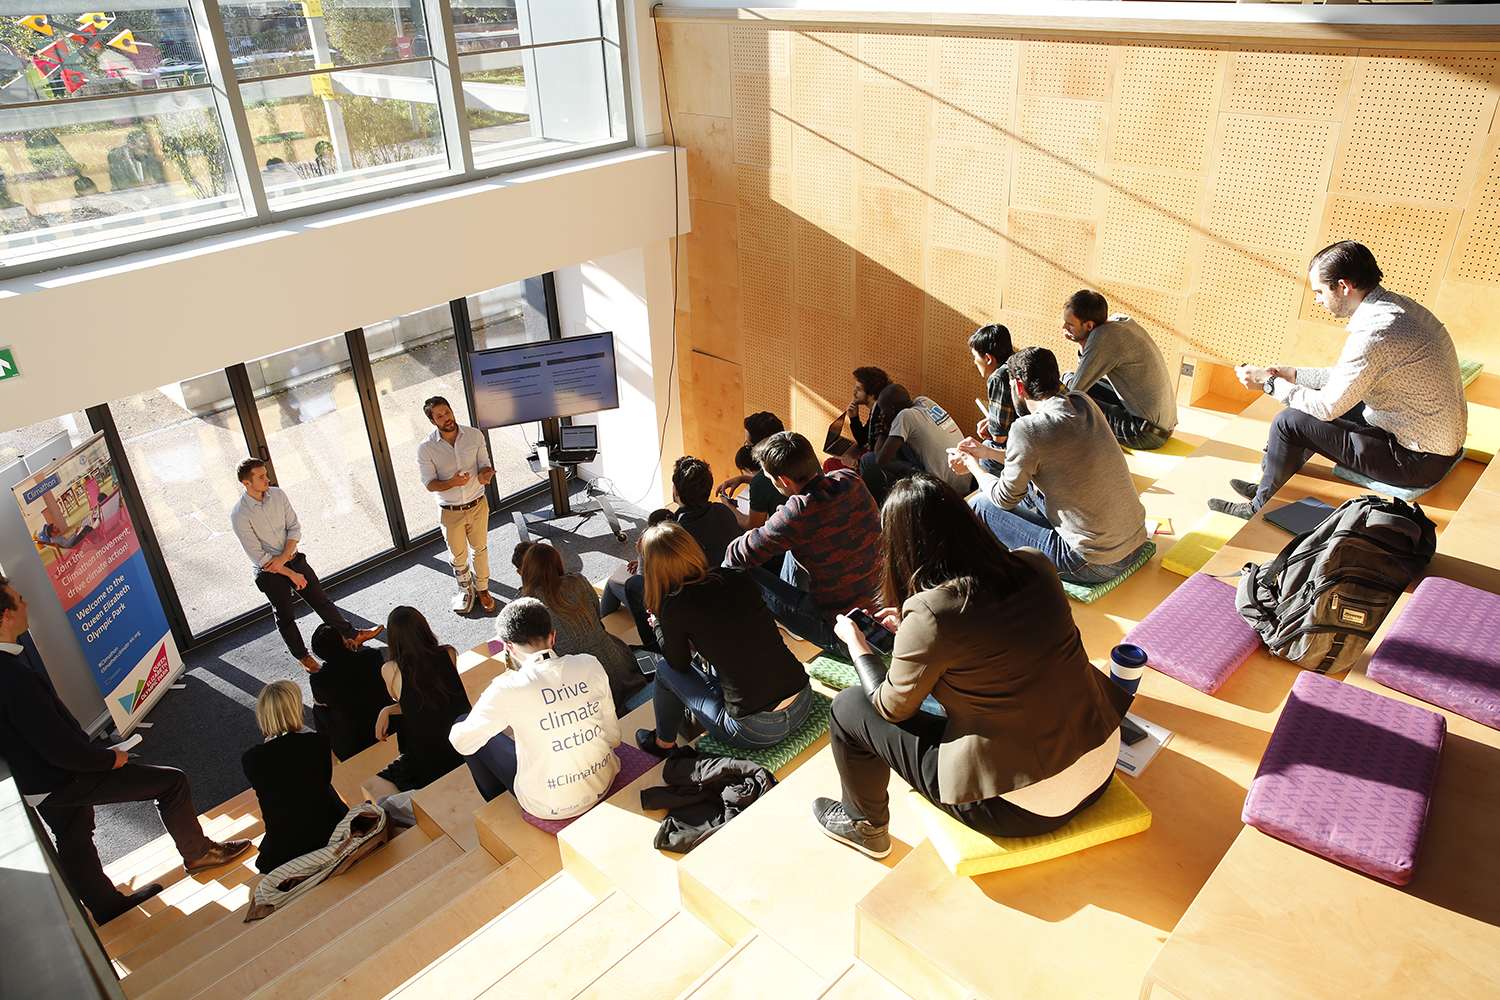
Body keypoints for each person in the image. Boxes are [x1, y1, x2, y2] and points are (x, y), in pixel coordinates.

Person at [811, 475, 1132, 858]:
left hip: (1021, 807)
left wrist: (857, 644)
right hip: (1100, 762)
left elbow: (890, 707)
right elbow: (992, 635)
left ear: (900, 545)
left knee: (849, 706)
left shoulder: (931, 612)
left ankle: (864, 825)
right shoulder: (1035, 564)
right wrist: (914, 630)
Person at [0, 578, 252, 924]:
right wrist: (109, 759)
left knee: (74, 839)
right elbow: (57, 749)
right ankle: (199, 854)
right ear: (4, 616)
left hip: (38, 784)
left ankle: (107, 908)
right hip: (65, 777)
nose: (26, 606)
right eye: (20, 601)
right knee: (172, 783)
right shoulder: (16, 678)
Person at [1210, 241, 1468, 519]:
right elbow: (1352, 378)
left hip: (1415, 461)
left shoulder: (1375, 332)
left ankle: (1258, 508)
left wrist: (1270, 384)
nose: (1318, 299)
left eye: (1320, 291)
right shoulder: (1397, 308)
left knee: (1290, 421)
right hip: (1425, 439)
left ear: (1343, 286)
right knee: (1306, 405)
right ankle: (1270, 484)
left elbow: (1327, 407)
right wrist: (1295, 375)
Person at [953, 347, 1150, 585]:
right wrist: (986, 452)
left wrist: (972, 465)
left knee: (979, 505)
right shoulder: (1083, 403)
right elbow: (1043, 456)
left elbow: (1004, 499)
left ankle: (989, 584)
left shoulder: (1026, 428)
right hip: (1135, 542)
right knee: (1025, 491)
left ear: (1018, 386)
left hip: (1093, 563)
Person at [634, 522, 813, 757]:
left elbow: (678, 664)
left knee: (664, 669)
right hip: (803, 699)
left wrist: (659, 623)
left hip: (755, 730)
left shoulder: (673, 606)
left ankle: (663, 744)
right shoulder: (737, 575)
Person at [449, 598, 621, 818]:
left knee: (462, 723)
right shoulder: (589, 664)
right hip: (604, 780)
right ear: (553, 636)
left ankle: (497, 804)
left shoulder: (506, 689)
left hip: (551, 808)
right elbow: (614, 739)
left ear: (509, 647)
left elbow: (462, 742)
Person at [725, 431, 882, 658]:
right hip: (880, 613)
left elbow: (736, 556)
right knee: (794, 544)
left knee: (738, 570)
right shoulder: (850, 479)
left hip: (844, 635)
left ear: (784, 481)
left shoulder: (797, 514)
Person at [229, 459, 382, 672]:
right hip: (270, 573)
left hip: (291, 559)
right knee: (285, 617)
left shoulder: (278, 495)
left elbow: (294, 529)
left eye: (266, 474)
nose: (267, 479)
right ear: (246, 482)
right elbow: (259, 556)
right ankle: (303, 657)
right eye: (261, 477)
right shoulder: (239, 514)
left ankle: (352, 635)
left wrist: (285, 561)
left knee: (322, 601)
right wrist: (289, 572)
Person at [600, 457, 740, 651]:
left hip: (693, 607)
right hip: (732, 596)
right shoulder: (724, 511)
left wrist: (643, 558)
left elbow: (657, 588)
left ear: (676, 491)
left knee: (631, 584)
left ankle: (655, 647)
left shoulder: (674, 538)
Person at [515, 541, 647, 713]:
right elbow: (597, 617)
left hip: (577, 685)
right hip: (617, 664)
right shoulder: (578, 582)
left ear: (524, 571)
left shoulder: (525, 608)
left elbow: (530, 659)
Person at [241, 681, 347, 873]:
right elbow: (322, 782)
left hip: (285, 847)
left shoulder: (251, 759)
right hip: (328, 832)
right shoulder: (317, 742)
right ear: (295, 709)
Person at [367, 606, 471, 798]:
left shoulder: (391, 670)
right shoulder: (448, 652)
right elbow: (429, 699)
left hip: (429, 759)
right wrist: (387, 711)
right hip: (466, 741)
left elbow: (408, 703)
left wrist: (387, 711)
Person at [1055, 290, 1178, 450]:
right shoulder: (1120, 321)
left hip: (1145, 433)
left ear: (1089, 325)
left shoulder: (1103, 339)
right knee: (1068, 378)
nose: (1064, 327)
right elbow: (1083, 376)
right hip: (1160, 423)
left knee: (1067, 399)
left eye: (1070, 324)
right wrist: (1084, 341)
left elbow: (1073, 391)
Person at [417, 396, 497, 613]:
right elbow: (429, 484)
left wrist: (484, 475)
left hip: (478, 504)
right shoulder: (426, 448)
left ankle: (483, 589)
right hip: (450, 511)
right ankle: (465, 590)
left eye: (448, 412)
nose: (447, 418)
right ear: (433, 421)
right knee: (458, 555)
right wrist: (451, 482)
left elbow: (484, 464)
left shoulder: (473, 435)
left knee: (480, 549)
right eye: (440, 416)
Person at [860, 384, 970, 504]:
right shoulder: (924, 402)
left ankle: (875, 509)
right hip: (963, 480)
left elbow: (881, 461)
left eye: (882, 410)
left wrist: (882, 434)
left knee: (867, 460)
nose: (881, 414)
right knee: (900, 440)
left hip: (942, 486)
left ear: (891, 408)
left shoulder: (904, 416)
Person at [308, 623, 390, 762]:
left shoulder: (319, 679)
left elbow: (321, 702)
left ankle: (326, 749)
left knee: (318, 708)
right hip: (389, 725)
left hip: (352, 745)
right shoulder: (372, 656)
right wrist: (353, 652)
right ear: (343, 641)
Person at [715, 411, 786, 531]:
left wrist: (728, 507)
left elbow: (752, 526)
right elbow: (771, 484)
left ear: (760, 449)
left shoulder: (761, 481)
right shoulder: (799, 451)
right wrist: (743, 478)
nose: (747, 448)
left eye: (748, 445)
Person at [970, 323, 1016, 476]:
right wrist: (992, 418)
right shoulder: (1017, 363)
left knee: (988, 447)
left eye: (976, 357)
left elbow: (999, 437)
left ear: (988, 358)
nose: (975, 362)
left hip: (1030, 448)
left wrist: (993, 426)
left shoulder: (999, 378)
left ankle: (989, 497)